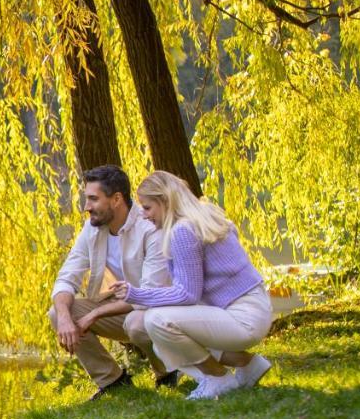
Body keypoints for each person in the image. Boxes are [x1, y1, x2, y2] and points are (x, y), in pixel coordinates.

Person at [112, 170, 273, 400]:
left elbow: (187, 294)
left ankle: (218, 378)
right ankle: (247, 365)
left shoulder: (182, 231)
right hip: (255, 308)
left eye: (147, 208)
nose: (144, 215)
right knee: (161, 344)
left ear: (165, 201)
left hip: (242, 317)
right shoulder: (206, 215)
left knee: (156, 320)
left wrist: (135, 294)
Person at [49, 164, 175, 400]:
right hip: (121, 308)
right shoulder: (93, 228)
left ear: (116, 199)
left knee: (137, 324)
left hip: (157, 309)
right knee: (58, 313)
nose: (86, 207)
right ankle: (114, 382)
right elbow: (67, 276)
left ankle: (167, 371)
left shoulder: (149, 227)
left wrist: (95, 315)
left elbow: (149, 294)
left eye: (93, 199)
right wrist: (66, 318)